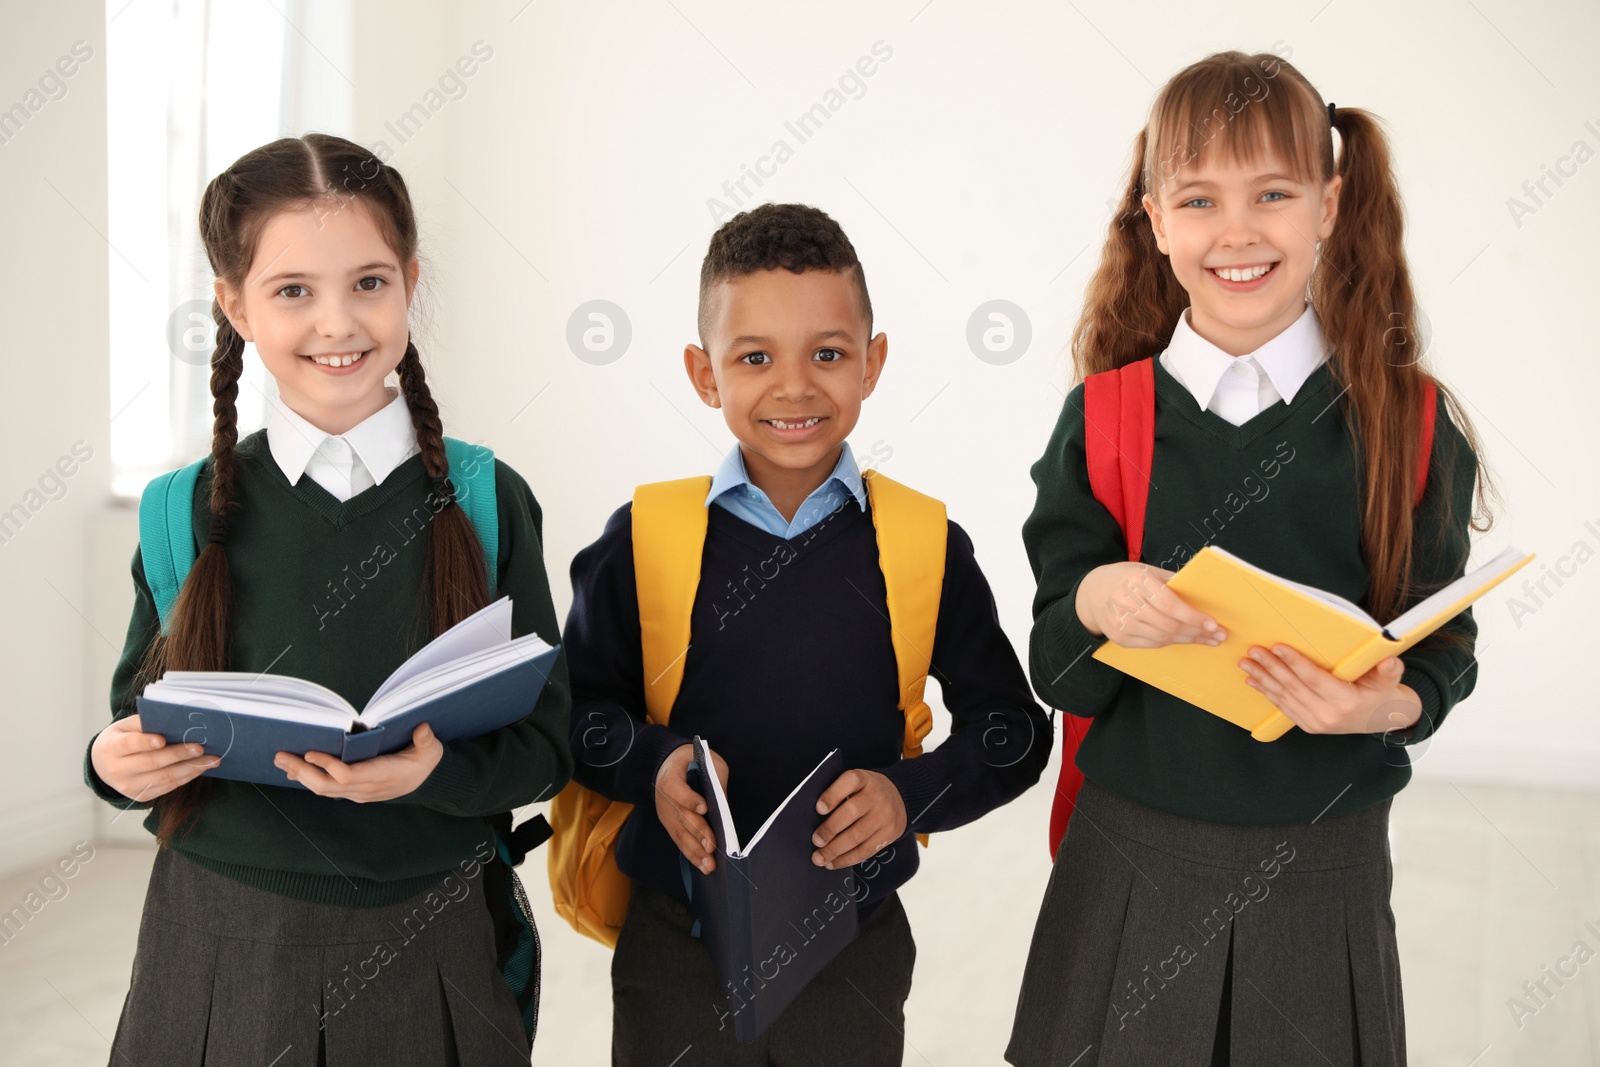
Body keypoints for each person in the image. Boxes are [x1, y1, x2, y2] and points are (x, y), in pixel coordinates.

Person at [1007, 52, 1494, 1066]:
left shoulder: (1407, 423)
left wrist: (1386, 704)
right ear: (1154, 217)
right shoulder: (1103, 421)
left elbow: (1443, 646)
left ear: (1328, 204)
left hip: (1324, 863)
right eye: (1198, 198)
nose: (1236, 231)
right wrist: (1097, 598)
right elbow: (1054, 667)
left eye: (1272, 193)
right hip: (1130, 855)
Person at [85, 134, 571, 1066]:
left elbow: (545, 749)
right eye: (293, 290)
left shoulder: (485, 497)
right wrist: (112, 761)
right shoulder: (179, 510)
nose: (338, 323)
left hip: (431, 931)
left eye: (370, 283)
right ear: (234, 304)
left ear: (410, 282)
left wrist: (431, 773)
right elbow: (129, 728)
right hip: (218, 939)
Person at [563, 202, 1051, 1064]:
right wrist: (652, 761)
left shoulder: (923, 543)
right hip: (675, 943)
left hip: (850, 947)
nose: (795, 386)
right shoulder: (642, 537)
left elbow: (1012, 731)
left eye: (828, 353)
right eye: (755, 358)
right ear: (704, 374)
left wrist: (912, 794)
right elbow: (571, 715)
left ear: (873, 363)